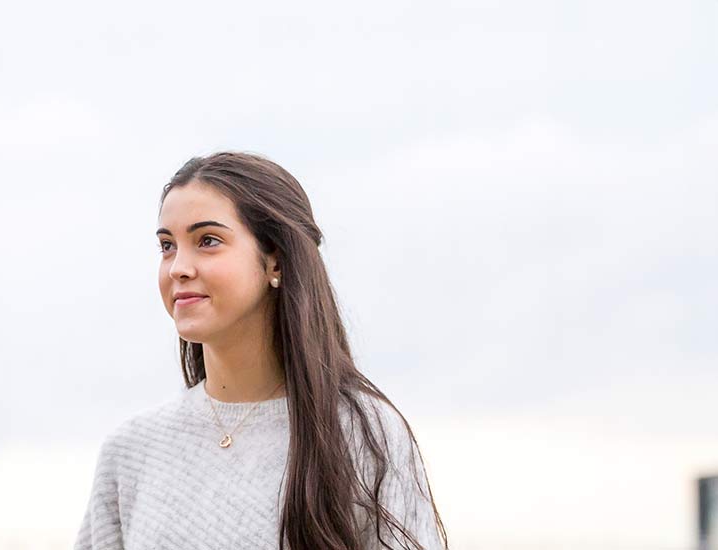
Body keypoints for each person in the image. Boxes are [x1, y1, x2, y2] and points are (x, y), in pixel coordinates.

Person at [74, 152, 448, 550]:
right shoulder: (131, 452)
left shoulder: (362, 433)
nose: (178, 267)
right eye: (167, 246)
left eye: (208, 241)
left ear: (276, 261)